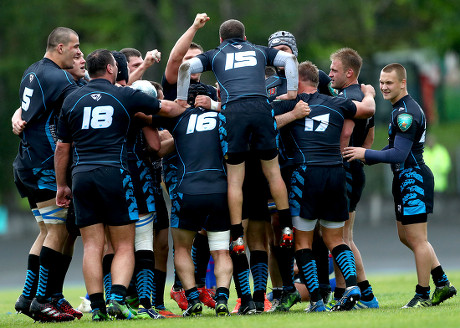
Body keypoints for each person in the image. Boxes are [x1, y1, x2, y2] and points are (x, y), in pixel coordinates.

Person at [54, 49, 187, 321]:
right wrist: (185, 104)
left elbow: (61, 148)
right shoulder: (124, 95)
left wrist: (61, 185)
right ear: (112, 69)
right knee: (125, 244)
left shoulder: (71, 99)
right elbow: (169, 109)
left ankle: (98, 309)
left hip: (81, 175)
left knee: (92, 245)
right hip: (115, 173)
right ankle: (117, 298)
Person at [176, 19, 298, 313]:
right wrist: (292, 93)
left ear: (220, 39)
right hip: (262, 133)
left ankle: (245, 294)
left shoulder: (214, 58)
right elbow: (291, 59)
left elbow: (183, 67)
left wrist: (182, 99)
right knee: (272, 176)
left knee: (237, 228)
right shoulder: (259, 54)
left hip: (235, 175)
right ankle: (286, 224)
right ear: (245, 36)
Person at [343, 63, 457, 308]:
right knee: (406, 236)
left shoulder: (405, 114)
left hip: (413, 179)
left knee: (418, 240)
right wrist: (367, 156)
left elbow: (398, 155)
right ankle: (442, 282)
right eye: (382, 82)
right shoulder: (399, 109)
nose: (384, 87)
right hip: (403, 179)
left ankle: (423, 294)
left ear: (403, 83)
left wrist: (367, 153)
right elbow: (395, 150)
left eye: (389, 83)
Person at [273, 61, 376, 312]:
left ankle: (317, 301)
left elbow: (263, 122)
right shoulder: (337, 102)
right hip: (335, 173)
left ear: (298, 82)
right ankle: (352, 286)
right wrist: (370, 93)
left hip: (305, 174)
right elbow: (368, 109)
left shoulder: (288, 104)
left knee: (303, 242)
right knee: (335, 238)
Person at [12, 27, 83, 323]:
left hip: (27, 161)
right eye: (75, 46)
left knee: (52, 231)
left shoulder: (33, 71)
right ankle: (42, 299)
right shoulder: (60, 78)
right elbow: (87, 101)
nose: (79, 51)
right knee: (57, 231)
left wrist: (16, 116)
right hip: (44, 163)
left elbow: (30, 111)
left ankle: (35, 296)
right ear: (60, 48)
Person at [151, 84, 233, 317]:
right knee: (221, 253)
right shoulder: (222, 118)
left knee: (182, 248)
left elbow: (157, 146)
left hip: (187, 190)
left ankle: (193, 297)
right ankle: (223, 300)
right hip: (219, 189)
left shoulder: (178, 120)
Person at [161, 13, 218, 312]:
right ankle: (181, 288)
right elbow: (173, 60)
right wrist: (194, 27)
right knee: (188, 229)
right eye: (188, 57)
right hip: (178, 166)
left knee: (209, 230)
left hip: (209, 166)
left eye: (197, 59)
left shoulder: (210, 91)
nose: (191, 64)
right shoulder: (174, 87)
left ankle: (196, 285)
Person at [327, 47, 378, 309]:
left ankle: (366, 295)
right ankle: (344, 292)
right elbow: (369, 140)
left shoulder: (349, 98)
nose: (330, 74)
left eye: (334, 69)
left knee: (342, 238)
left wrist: (333, 158)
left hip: (343, 168)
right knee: (344, 237)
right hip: (355, 167)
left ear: (349, 72)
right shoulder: (363, 96)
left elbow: (345, 135)